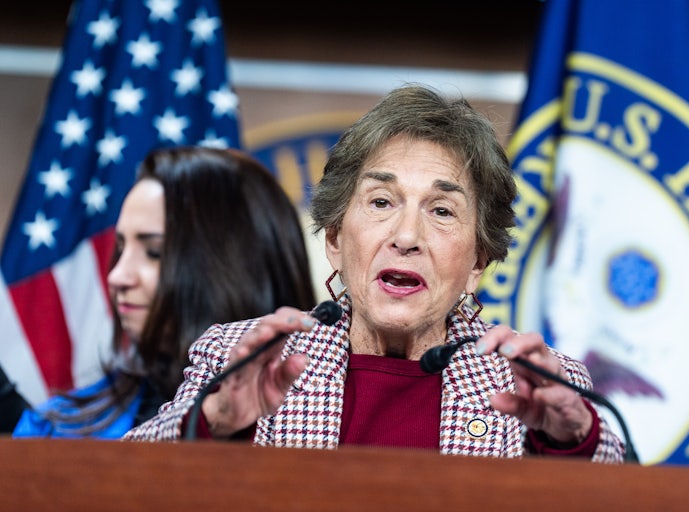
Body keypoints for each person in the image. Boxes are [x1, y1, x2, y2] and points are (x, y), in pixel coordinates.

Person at [123, 84, 625, 463]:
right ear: (336, 240)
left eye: (442, 211)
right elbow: (117, 482)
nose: (406, 236)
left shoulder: (538, 389)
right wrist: (214, 422)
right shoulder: (238, 361)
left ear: (478, 262)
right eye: (381, 201)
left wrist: (572, 440)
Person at [12, 146, 316, 438]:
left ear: (236, 267)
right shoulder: (53, 428)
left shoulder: (333, 422)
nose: (117, 276)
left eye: (154, 252)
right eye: (120, 249)